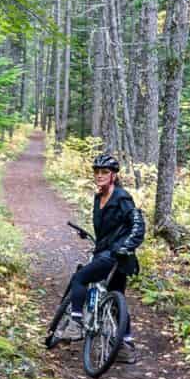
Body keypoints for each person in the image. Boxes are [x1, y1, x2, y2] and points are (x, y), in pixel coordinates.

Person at [59, 153, 145, 363]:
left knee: (80, 278)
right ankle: (125, 344)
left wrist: (125, 247)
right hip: (110, 253)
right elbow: (109, 228)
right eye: (97, 172)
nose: (99, 175)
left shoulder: (122, 197)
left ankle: (76, 322)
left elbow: (138, 225)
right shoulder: (99, 197)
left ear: (113, 175)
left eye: (104, 172)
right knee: (116, 297)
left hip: (116, 255)